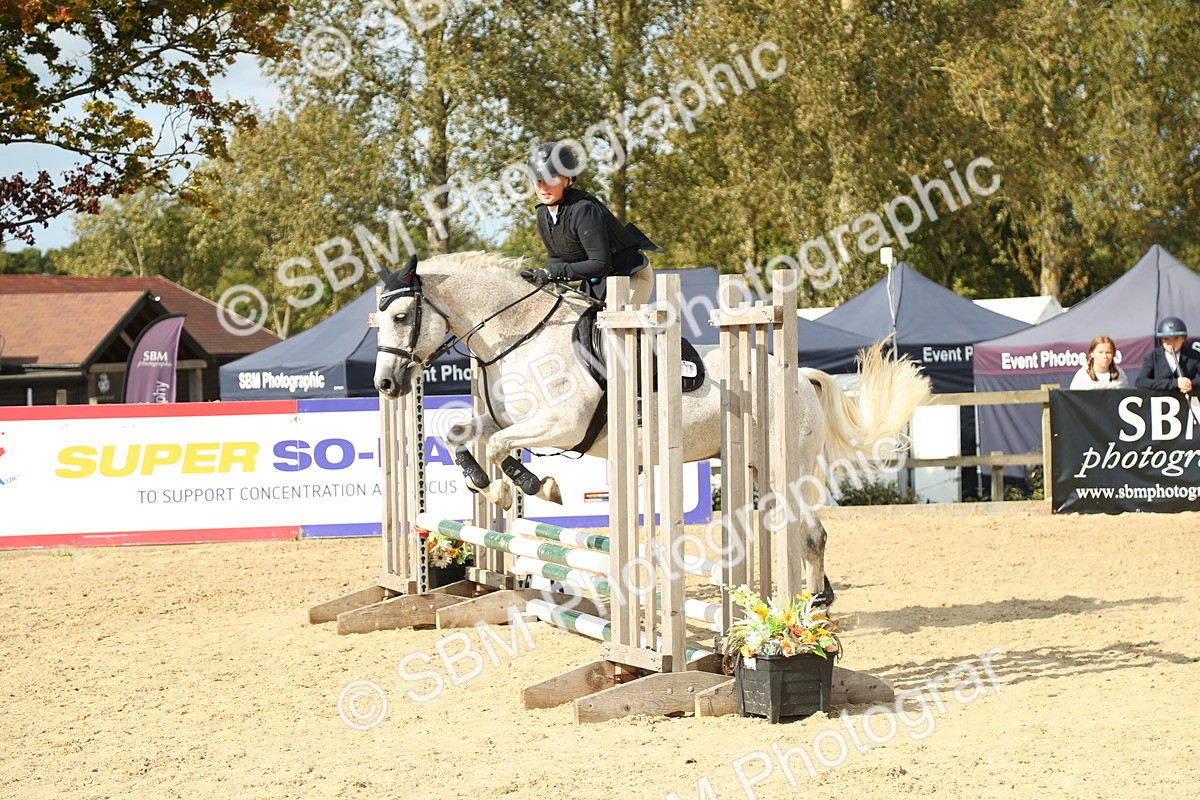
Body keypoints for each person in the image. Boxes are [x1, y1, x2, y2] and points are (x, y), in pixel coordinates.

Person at [519, 141, 657, 304]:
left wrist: (553, 272)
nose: (543, 187)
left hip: (630, 275)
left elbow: (600, 264)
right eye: (538, 181)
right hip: (597, 282)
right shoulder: (543, 214)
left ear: (567, 179)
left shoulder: (584, 209)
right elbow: (557, 259)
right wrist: (542, 273)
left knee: (609, 325)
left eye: (550, 179)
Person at [1135, 316, 1200, 393]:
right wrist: (1174, 383)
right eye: (1166, 338)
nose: (1171, 343)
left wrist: (1190, 383)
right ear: (1161, 339)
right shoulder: (1152, 357)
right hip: (1160, 401)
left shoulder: (1195, 356)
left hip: (1187, 402)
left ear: (1183, 338)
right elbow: (1140, 382)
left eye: (1176, 338)